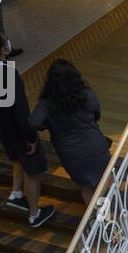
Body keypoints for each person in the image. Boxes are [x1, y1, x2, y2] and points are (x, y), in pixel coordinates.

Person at [0, 28, 55, 228]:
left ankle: (16, 194)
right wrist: (31, 138)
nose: (8, 45)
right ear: (1, 49)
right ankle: (35, 214)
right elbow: (20, 111)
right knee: (33, 170)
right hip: (17, 130)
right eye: (5, 42)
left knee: (16, 157)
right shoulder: (7, 73)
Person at [29, 59, 111, 204]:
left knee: (86, 188)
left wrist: (46, 126)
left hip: (70, 154)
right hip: (96, 147)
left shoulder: (46, 104)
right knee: (106, 178)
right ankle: (103, 211)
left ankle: (96, 215)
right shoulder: (87, 94)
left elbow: (33, 123)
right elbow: (97, 114)